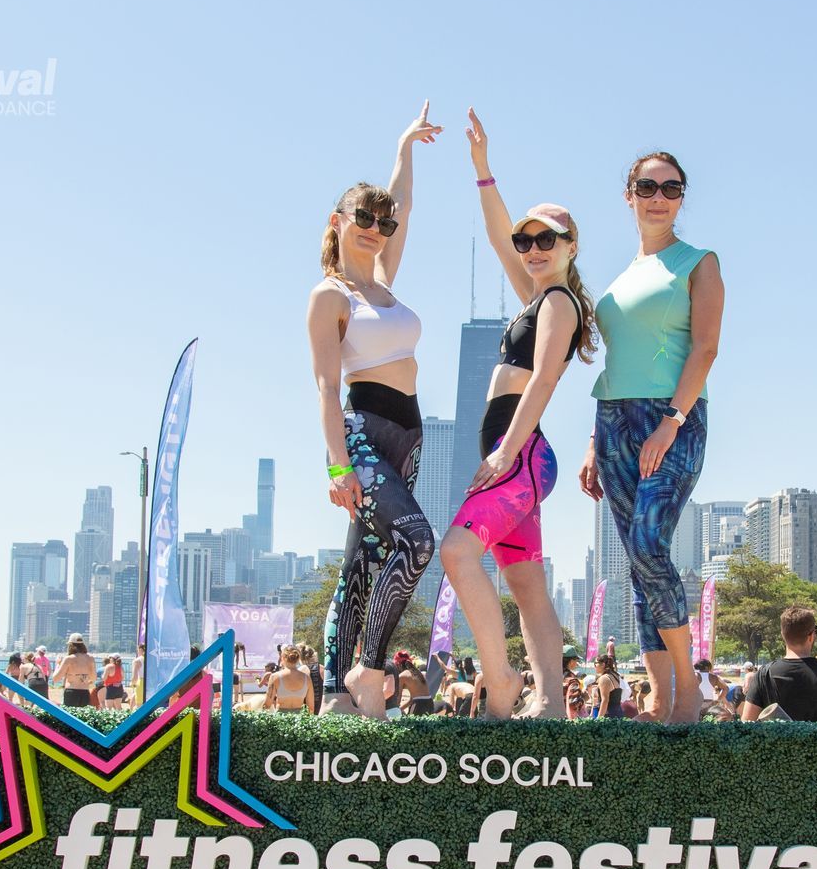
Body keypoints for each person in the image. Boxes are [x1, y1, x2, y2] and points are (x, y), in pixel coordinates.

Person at [441, 113, 597, 718]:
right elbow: (496, 233)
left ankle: (502, 677)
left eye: (546, 241)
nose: (532, 250)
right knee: (528, 586)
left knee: (457, 552)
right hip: (516, 455)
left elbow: (545, 379)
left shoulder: (558, 301)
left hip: (521, 456)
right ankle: (552, 703)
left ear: (570, 246)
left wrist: (506, 450)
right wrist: (482, 169)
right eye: (526, 242)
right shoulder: (537, 294)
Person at [580, 151, 722, 724]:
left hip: (673, 419)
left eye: (671, 187)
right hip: (612, 422)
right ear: (629, 195)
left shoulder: (698, 263)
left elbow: (705, 349)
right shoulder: (621, 278)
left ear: (682, 197)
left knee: (647, 544)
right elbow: (614, 362)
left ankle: (688, 688)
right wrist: (593, 443)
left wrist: (671, 420)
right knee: (638, 564)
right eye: (647, 186)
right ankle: (659, 698)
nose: (658, 197)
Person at [309, 107, 442, 718]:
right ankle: (370, 668)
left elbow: (404, 204)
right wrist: (339, 466)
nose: (375, 228)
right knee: (416, 542)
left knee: (362, 562)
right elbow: (325, 385)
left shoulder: (385, 283)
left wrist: (405, 145)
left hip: (408, 437)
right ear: (337, 222)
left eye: (381, 222)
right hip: (361, 435)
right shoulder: (330, 295)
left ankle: (335, 693)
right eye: (362, 217)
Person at [741, 606, 817, 723]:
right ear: (811, 636)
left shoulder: (764, 674)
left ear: (783, 635)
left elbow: (747, 722)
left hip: (778, 738)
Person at [263, 647, 315, 713]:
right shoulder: (307, 678)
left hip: (281, 717)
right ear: (298, 659)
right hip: (300, 717)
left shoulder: (275, 677)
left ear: (282, 658)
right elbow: (311, 707)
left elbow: (267, 704)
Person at [56, 635, 97, 708]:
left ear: (70, 645)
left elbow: (56, 678)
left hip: (71, 691)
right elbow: (93, 678)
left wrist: (58, 664)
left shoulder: (69, 659)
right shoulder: (90, 658)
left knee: (69, 714)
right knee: (83, 714)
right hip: (85, 692)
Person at [593, 654, 623, 719]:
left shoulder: (604, 678)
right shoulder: (615, 676)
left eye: (595, 663)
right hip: (617, 712)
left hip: (608, 715)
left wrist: (599, 719)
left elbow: (605, 700)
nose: (594, 666)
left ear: (603, 664)